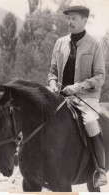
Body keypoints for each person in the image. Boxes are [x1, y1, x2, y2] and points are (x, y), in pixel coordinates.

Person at [48, 5, 107, 188]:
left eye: (74, 18)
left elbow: (100, 77)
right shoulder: (60, 43)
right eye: (68, 18)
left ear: (84, 20)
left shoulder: (94, 44)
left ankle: (99, 170)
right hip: (60, 96)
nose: (70, 22)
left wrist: (78, 87)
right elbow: (52, 71)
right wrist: (52, 84)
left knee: (90, 121)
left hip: (86, 98)